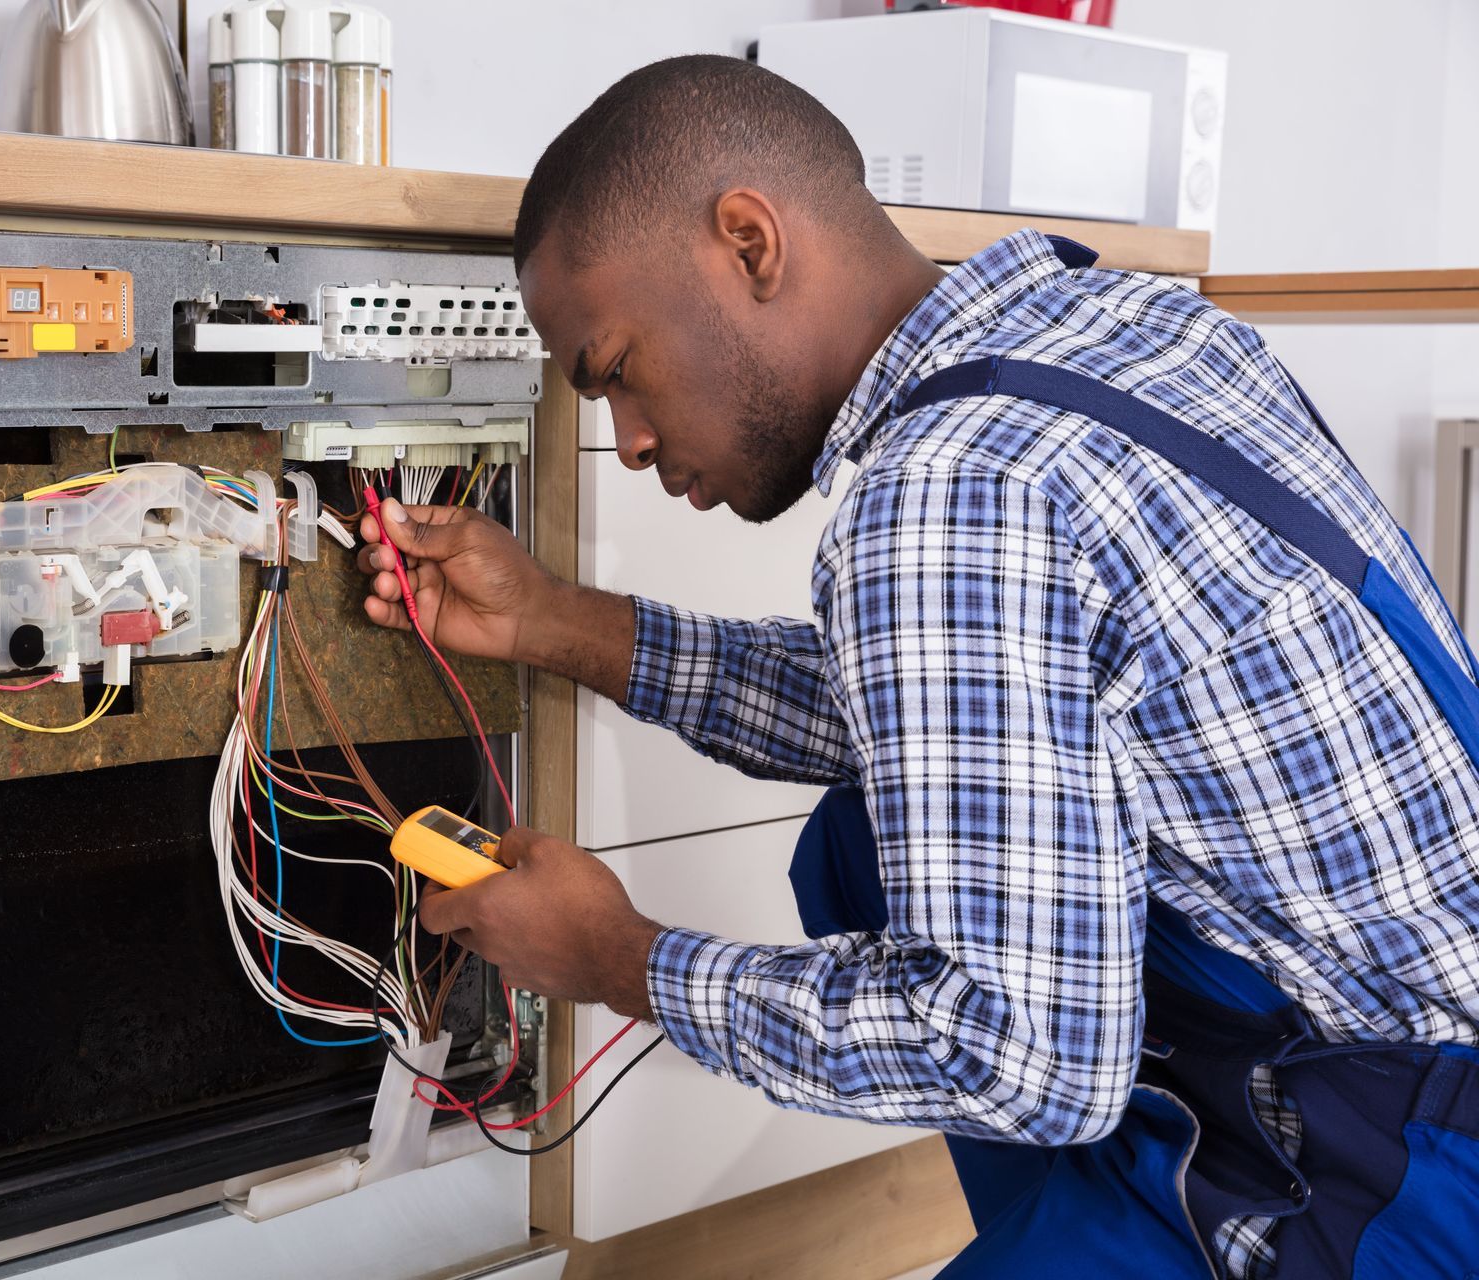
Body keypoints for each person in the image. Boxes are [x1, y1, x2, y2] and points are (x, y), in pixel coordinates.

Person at [357, 55, 1479, 1278]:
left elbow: (1024, 1059)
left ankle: (1158, 1215)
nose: (624, 440)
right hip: (1394, 1047)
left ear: (748, 242)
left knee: (937, 950)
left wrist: (618, 957)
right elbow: (941, 726)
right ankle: (1111, 1199)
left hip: (1399, 1176)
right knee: (864, 834)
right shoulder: (1121, 320)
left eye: (618, 368)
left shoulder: (949, 488)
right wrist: (548, 621)